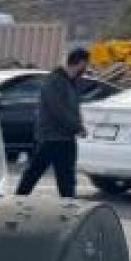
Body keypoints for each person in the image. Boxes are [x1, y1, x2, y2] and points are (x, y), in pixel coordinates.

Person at [17, 47, 89, 197]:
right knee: (34, 173)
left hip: (66, 138)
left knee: (67, 178)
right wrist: (77, 127)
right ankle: (18, 200)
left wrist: (77, 126)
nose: (86, 68)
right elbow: (58, 110)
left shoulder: (71, 82)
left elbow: (72, 108)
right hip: (50, 138)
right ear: (81, 63)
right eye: (86, 64)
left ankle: (68, 207)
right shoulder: (55, 81)